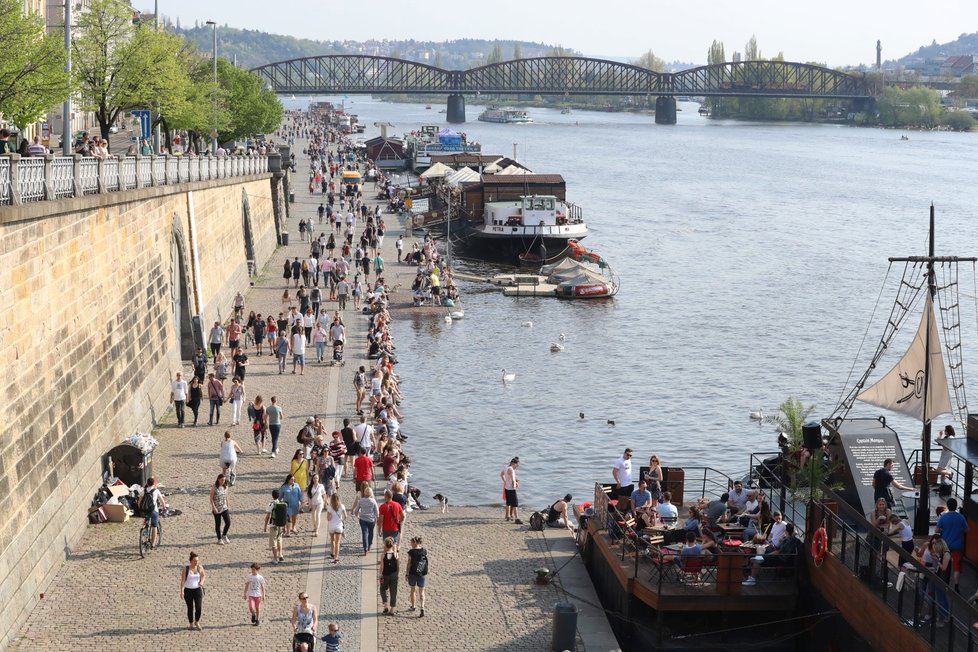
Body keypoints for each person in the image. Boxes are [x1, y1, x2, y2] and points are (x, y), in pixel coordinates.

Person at [935, 497, 968, 592]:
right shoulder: (960, 517)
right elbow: (967, 529)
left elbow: (937, 530)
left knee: (946, 565)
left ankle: (945, 583)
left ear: (948, 506)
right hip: (957, 545)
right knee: (956, 566)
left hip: (946, 545)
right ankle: (956, 586)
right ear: (956, 506)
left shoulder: (944, 517)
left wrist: (944, 529)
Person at [180, 552, 206, 630]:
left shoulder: (200, 567)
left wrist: (202, 582)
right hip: (188, 590)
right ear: (191, 561)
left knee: (199, 607)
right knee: (190, 607)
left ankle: (197, 621)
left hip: (197, 590)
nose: (196, 562)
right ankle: (191, 623)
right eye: (195, 561)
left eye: (197, 560)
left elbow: (203, 575)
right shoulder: (186, 569)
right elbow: (183, 580)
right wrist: (182, 591)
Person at [352, 485, 379, 555]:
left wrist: (357, 516)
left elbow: (356, 511)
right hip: (371, 519)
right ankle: (369, 545)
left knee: (364, 533)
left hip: (363, 519)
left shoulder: (361, 501)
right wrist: (377, 518)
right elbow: (377, 512)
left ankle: (365, 549)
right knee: (371, 532)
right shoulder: (373, 501)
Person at [406, 535, 428, 618]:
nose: (410, 544)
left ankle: (413, 605)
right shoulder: (424, 551)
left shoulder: (411, 552)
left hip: (413, 574)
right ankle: (422, 607)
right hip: (422, 574)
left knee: (413, 590)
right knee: (422, 592)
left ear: (415, 543)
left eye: (411, 542)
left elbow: (409, 564)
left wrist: (407, 573)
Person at [263, 489, 287, 563]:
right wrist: (284, 526)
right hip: (280, 525)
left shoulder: (271, 504)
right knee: (279, 540)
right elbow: (285, 516)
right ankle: (280, 554)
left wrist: (265, 526)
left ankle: (275, 558)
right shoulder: (282, 504)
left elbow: (268, 516)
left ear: (272, 496)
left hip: (273, 525)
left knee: (273, 542)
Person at [143, 476, 166, 548]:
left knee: (146, 519)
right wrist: (164, 507)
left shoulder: (144, 490)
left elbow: (140, 500)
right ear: (154, 484)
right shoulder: (156, 491)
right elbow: (162, 501)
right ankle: (153, 544)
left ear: (147, 483)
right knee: (154, 527)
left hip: (145, 510)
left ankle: (144, 529)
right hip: (154, 511)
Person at [379, 537, 399, 615]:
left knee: (382, 589)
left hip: (385, 575)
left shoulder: (383, 555)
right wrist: (397, 574)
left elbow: (382, 567)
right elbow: (398, 566)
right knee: (393, 592)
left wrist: (380, 575)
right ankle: (392, 609)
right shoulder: (396, 554)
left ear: (385, 545)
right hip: (394, 575)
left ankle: (385, 605)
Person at [210, 474, 232, 545]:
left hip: (224, 507)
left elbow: (226, 496)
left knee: (228, 522)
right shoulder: (214, 487)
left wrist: (228, 505)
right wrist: (214, 508)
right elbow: (211, 498)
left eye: (224, 480)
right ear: (218, 479)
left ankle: (224, 535)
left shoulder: (225, 487)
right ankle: (219, 539)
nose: (223, 481)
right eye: (222, 480)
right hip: (217, 508)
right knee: (218, 524)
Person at [326, 493, 347, 564]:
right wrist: (342, 519)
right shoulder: (342, 506)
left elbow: (328, 518)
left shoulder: (329, 507)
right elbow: (345, 516)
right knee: (338, 542)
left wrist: (331, 517)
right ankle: (336, 557)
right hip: (339, 526)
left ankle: (332, 553)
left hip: (332, 525)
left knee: (332, 540)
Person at [501, 457, 523, 524]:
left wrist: (505, 481)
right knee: (515, 504)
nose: (517, 466)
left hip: (506, 488)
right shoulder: (511, 470)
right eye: (517, 465)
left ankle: (507, 516)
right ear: (514, 464)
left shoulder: (506, 467)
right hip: (511, 489)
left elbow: (501, 475)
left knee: (508, 503)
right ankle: (517, 518)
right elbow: (513, 480)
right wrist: (515, 487)